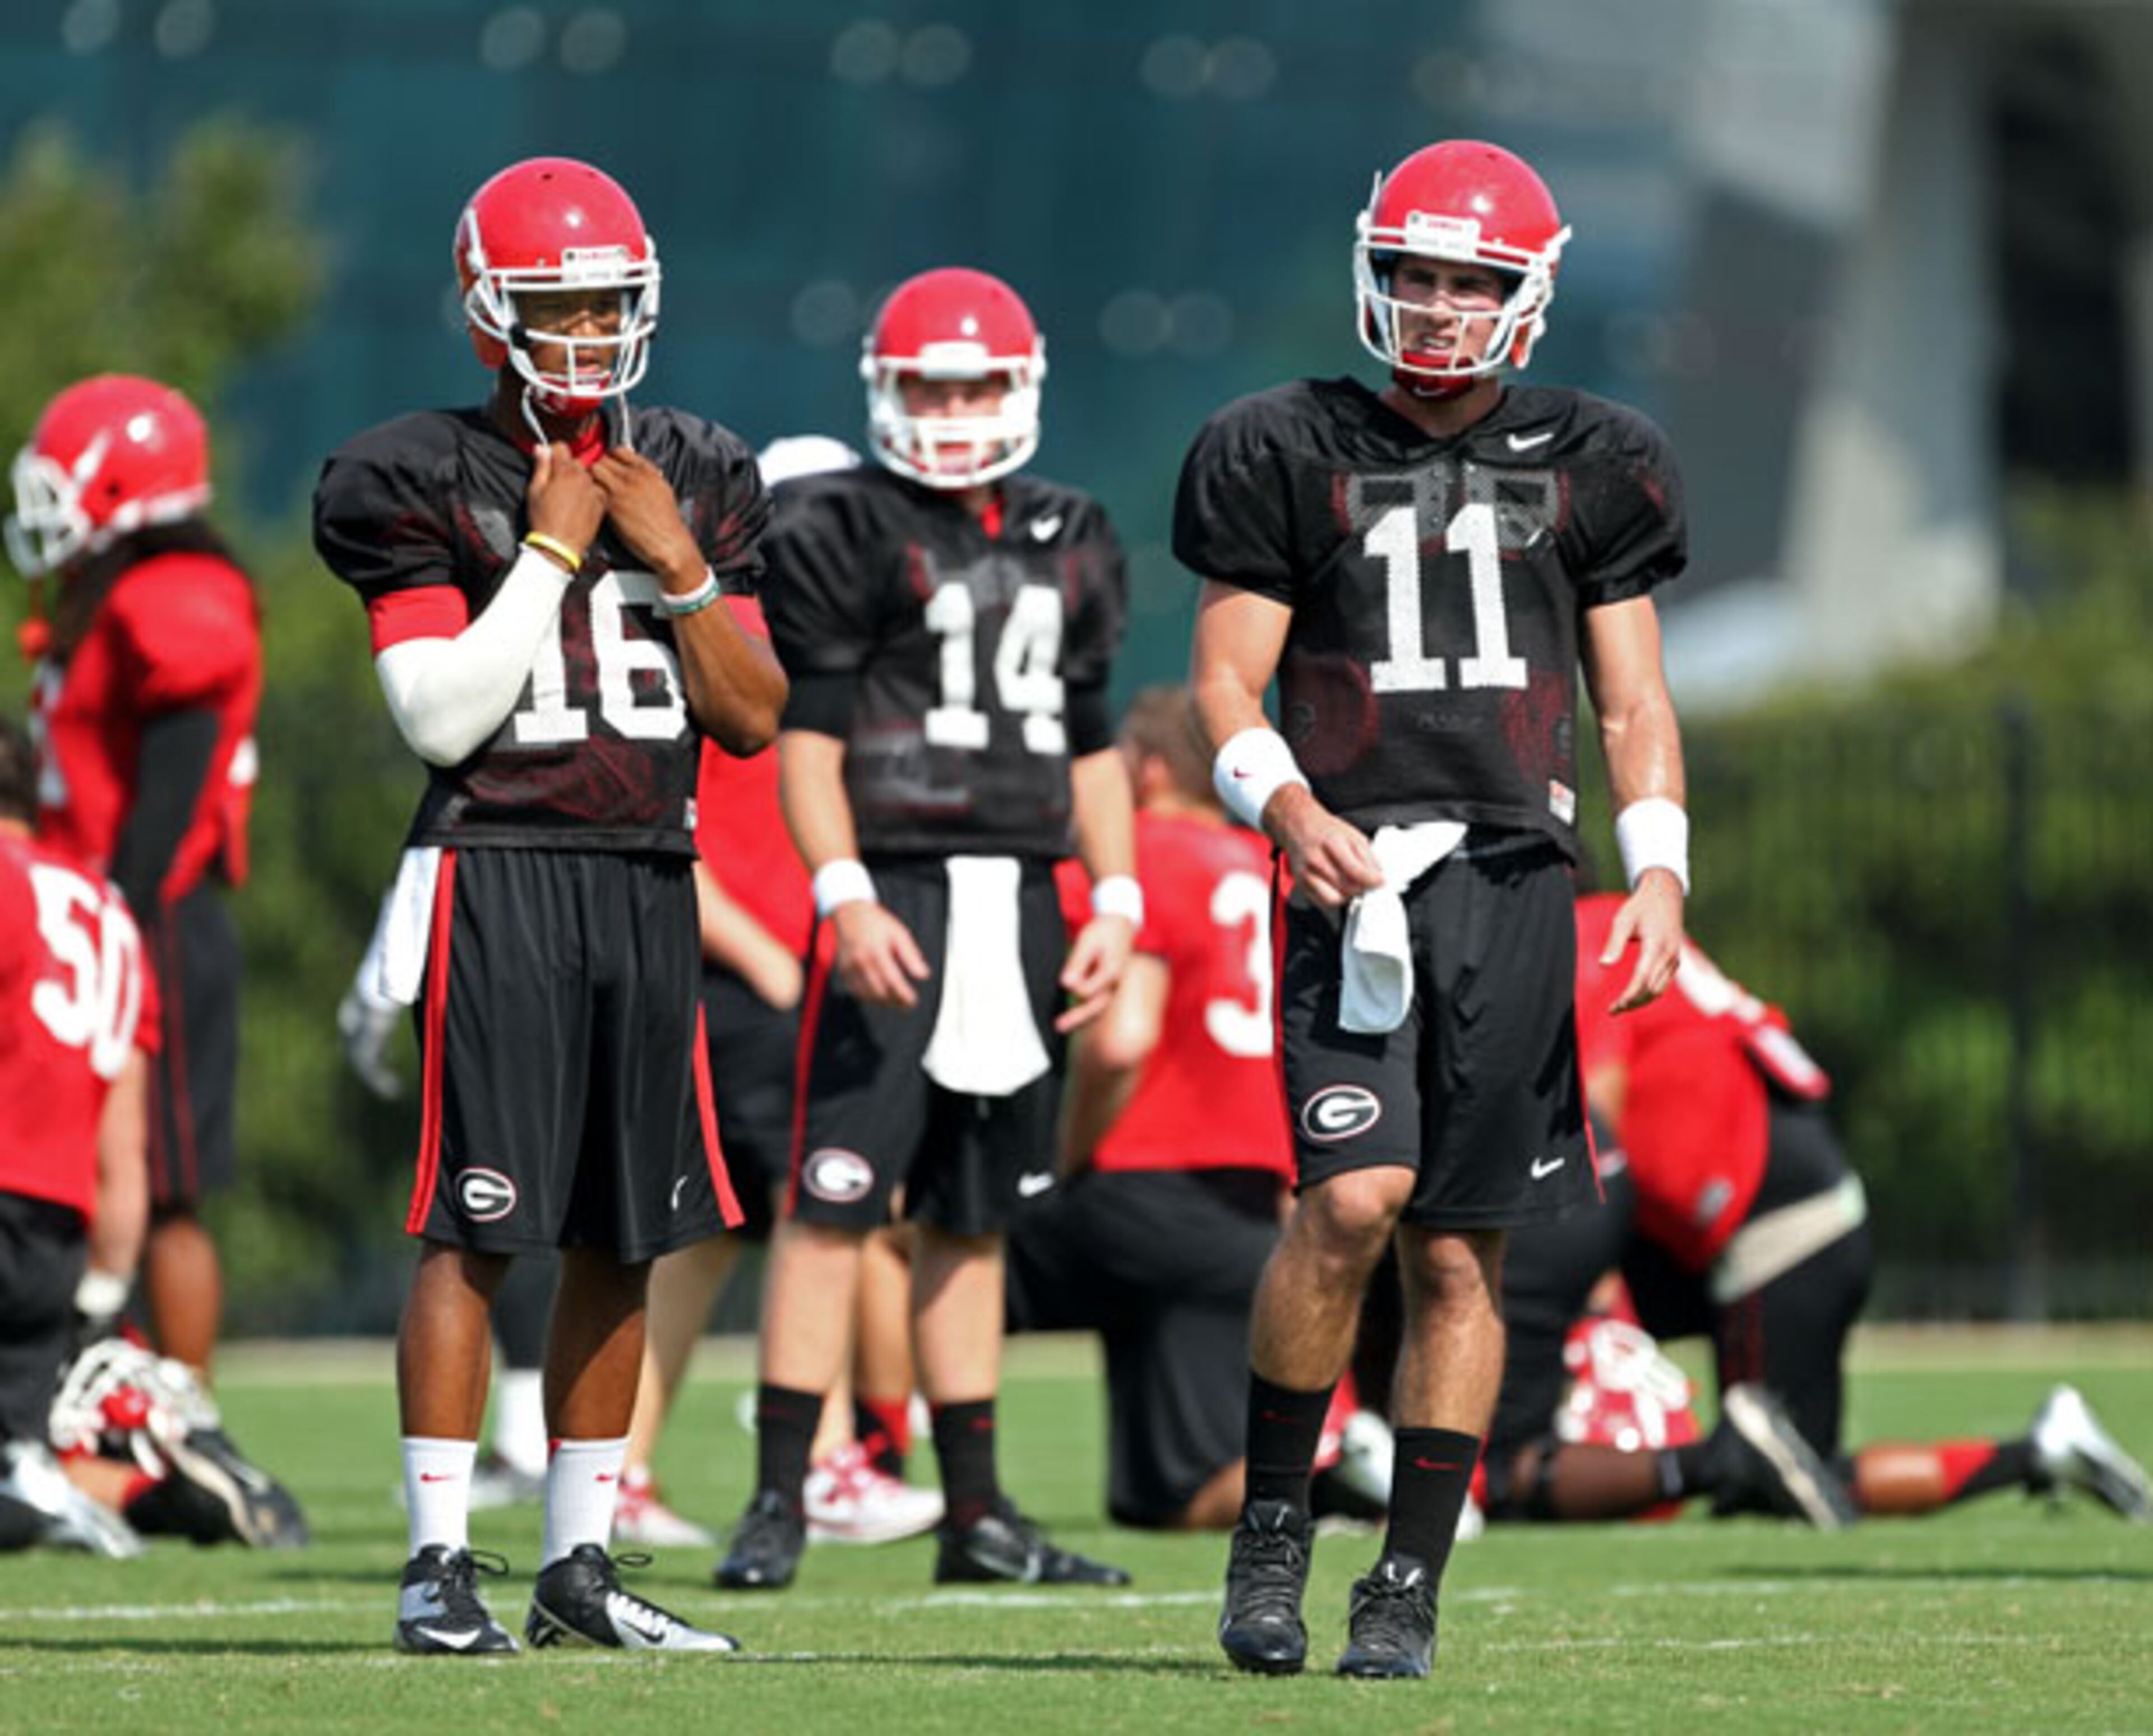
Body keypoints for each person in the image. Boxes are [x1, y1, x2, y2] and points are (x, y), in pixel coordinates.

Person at [1180, 139, 1691, 1679]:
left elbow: (1635, 697)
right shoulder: (1280, 440)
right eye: (1415, 272)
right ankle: (1274, 1534)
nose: (1441, 303)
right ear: (1370, 272)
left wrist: (1659, 863)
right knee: (1346, 1202)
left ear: (1527, 295)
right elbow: (1218, 675)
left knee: (1462, 1256)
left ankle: (1405, 1581)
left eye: (1472, 278)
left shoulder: (1601, 454)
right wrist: (1285, 804)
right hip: (1356, 867)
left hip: (1519, 882)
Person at [312, 155, 786, 1655]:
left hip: (649, 867)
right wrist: (556, 549)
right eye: (553, 308)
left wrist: (682, 567)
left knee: (627, 1234)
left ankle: (579, 1567)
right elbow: (442, 717)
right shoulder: (412, 470)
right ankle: (439, 1563)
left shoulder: (701, 464)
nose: (585, 337)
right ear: (485, 317)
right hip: (500, 864)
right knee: (477, 1226)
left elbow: (758, 716)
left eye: (607, 308)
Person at [717, 266, 1136, 1593]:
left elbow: (1091, 745)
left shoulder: (1075, 530)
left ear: (1019, 388)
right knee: (833, 1198)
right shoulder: (840, 525)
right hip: (893, 883)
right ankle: (780, 1496)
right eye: (928, 386)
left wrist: (1114, 894)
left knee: (972, 1215)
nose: (952, 412)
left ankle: (975, 1513)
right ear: (883, 391)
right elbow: (809, 742)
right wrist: (837, 891)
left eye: (972, 385)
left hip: (1018, 896)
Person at [1476, 897, 2151, 1527]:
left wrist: (1598, 1295)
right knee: (1778, 1466)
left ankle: (2033, 1453)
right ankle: (2044, 1449)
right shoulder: (1623, 920)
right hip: (1770, 1213)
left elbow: (1597, 1116)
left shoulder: (1585, 933)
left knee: (1772, 1479)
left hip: (1770, 1233)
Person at [6, 374, 301, 1539]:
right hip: (85, 919)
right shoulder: (102, 591)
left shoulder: (179, 590)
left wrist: (118, 912)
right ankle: (89, 1400)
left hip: (148, 916)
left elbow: (173, 788)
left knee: (165, 1181)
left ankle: (188, 1407)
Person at [1005, 684, 1301, 1530]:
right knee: (1170, 1496)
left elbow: (1121, 1038)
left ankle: (852, 1449)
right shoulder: (1272, 871)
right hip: (1245, 1217)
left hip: (1136, 1191)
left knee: (912, 1245)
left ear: (1153, 768)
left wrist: (1062, 1163)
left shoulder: (1144, 854)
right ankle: (1345, 1476)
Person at [0, 715, 155, 1558]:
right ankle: (32, 1477)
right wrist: (101, 1290)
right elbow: (123, 1137)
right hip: (58, 1226)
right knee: (13, 1439)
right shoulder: (106, 907)